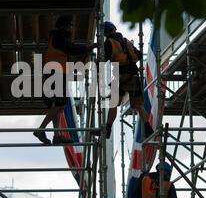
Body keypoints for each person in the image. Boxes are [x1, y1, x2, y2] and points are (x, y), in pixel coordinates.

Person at [33, 15, 97, 145]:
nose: (71, 29)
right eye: (69, 26)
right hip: (55, 72)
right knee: (61, 103)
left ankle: (57, 135)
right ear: (63, 26)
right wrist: (87, 48)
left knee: (57, 105)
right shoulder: (58, 37)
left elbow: (69, 48)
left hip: (53, 71)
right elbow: (71, 49)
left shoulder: (56, 37)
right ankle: (41, 129)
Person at [96, 21, 153, 139]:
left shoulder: (109, 43)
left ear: (105, 33)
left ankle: (107, 130)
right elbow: (139, 55)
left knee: (113, 103)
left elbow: (103, 60)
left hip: (121, 76)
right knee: (138, 105)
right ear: (114, 29)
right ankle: (149, 129)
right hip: (133, 76)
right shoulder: (126, 41)